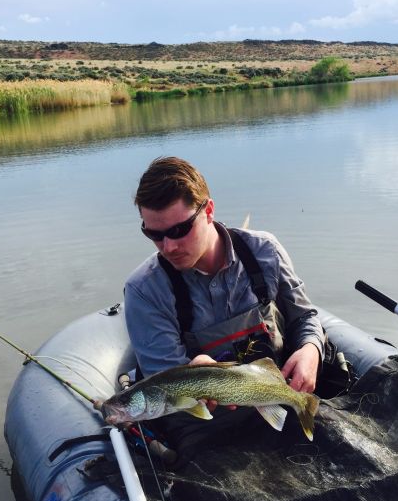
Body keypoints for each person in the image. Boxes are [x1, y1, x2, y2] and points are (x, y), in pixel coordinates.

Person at [124, 157, 325, 404]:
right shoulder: (144, 291)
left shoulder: (265, 251)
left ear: (208, 211)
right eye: (154, 234)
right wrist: (190, 371)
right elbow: (164, 384)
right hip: (207, 422)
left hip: (275, 396)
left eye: (179, 231)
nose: (169, 246)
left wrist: (311, 349)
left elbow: (304, 317)